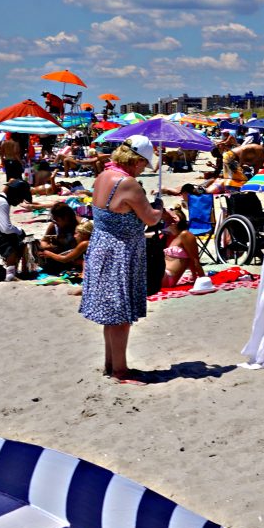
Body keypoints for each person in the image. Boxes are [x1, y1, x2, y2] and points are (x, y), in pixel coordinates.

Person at [81, 139, 167, 382]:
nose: (143, 169)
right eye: (143, 164)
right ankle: (120, 371)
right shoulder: (128, 183)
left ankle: (111, 364)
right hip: (121, 252)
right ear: (137, 160)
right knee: (120, 317)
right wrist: (159, 206)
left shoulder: (103, 176)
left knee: (112, 314)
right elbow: (150, 219)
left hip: (101, 248)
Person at [32, 202, 89, 278]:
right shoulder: (55, 225)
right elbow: (44, 240)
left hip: (79, 257)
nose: (54, 222)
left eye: (56, 220)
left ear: (65, 218)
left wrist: (51, 254)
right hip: (63, 256)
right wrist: (48, 247)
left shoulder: (83, 226)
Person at [156, 210, 204, 286]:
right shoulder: (167, 237)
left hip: (168, 276)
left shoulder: (185, 235)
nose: (169, 221)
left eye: (174, 217)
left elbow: (194, 259)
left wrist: (201, 279)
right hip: (161, 274)